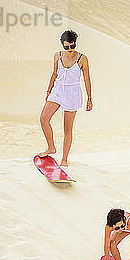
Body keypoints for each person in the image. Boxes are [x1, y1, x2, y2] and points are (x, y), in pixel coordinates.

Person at [39, 29, 93, 166]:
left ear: (75, 43)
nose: (70, 49)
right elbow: (54, 73)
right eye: (66, 46)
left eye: (72, 46)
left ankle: (64, 159)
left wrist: (89, 98)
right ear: (62, 45)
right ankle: (51, 147)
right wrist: (48, 90)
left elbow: (87, 79)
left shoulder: (82, 59)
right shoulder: (57, 55)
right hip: (57, 91)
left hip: (72, 94)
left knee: (67, 129)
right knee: (44, 119)